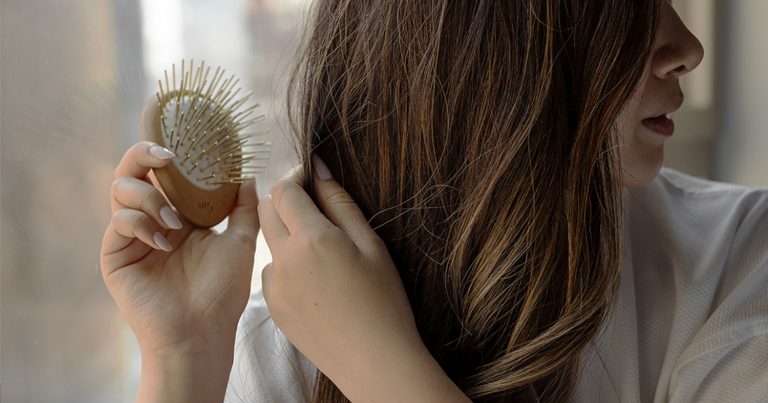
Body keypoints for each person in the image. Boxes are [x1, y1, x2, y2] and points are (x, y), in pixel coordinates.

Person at [100, 0, 768, 402]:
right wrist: (182, 359)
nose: (688, 46)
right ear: (482, 38)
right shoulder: (284, 345)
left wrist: (382, 368)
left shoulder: (738, 263)